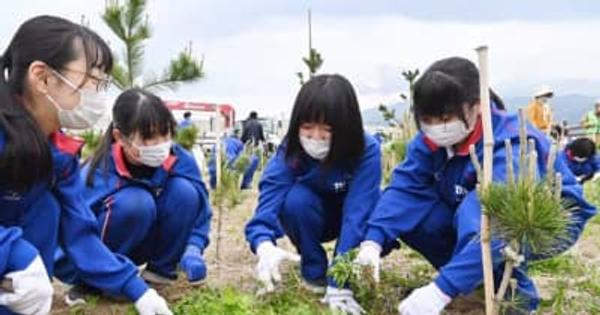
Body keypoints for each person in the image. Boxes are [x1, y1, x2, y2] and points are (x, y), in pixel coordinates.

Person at [354, 57, 596, 314]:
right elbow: (405, 189)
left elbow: (499, 225)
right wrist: (373, 242)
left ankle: (515, 299)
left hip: (546, 219)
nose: (437, 128)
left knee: (477, 210)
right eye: (428, 119)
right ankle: (472, 286)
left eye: (445, 118)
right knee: (412, 214)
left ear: (477, 106)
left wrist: (440, 291)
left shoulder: (510, 144)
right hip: (467, 210)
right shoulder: (430, 142)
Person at [0, 15, 172, 314]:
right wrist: (14, 253)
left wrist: (136, 289)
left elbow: (80, 232)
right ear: (42, 77)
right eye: (92, 81)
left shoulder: (58, 154)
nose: (97, 95)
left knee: (47, 209)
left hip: (17, 280)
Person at [55, 89, 212, 301]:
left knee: (185, 192)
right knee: (137, 203)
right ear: (121, 137)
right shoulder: (99, 173)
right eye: (148, 137)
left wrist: (193, 248)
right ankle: (92, 282)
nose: (160, 144)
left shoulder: (177, 158)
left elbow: (201, 208)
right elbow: (70, 230)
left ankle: (159, 273)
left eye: (165, 133)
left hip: (138, 245)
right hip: (86, 256)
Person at [245, 74, 383, 315]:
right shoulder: (292, 149)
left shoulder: (365, 149)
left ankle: (342, 278)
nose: (315, 138)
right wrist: (263, 244)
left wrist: (341, 282)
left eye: (326, 130)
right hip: (314, 217)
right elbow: (270, 198)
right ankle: (314, 272)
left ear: (346, 128)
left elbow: (357, 213)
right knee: (295, 200)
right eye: (307, 128)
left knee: (374, 209)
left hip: (349, 221)